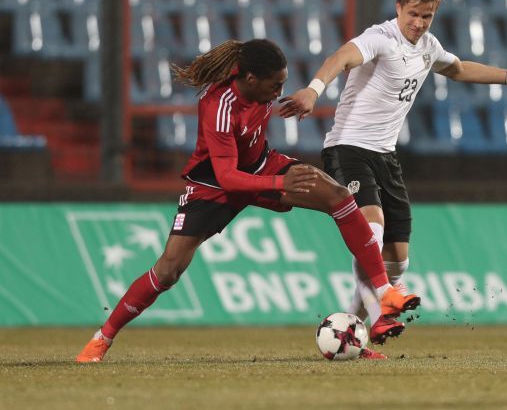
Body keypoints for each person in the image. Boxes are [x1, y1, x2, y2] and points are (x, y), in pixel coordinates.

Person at [76, 39, 420, 363]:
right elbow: (227, 177)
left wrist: (307, 96)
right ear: (251, 79)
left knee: (339, 196)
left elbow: (257, 141)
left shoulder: (259, 87)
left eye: (283, 84)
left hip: (260, 165)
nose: (279, 92)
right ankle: (102, 338)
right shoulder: (218, 106)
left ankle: (384, 292)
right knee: (168, 271)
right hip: (213, 187)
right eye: (275, 85)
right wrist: (280, 182)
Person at [279, 0, 507, 339]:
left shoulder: (428, 46)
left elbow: (458, 69)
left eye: (427, 16)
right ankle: (378, 311)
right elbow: (342, 56)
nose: (419, 23)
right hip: (348, 148)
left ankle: (351, 327)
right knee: (372, 230)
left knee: (397, 260)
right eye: (413, 14)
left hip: (386, 155)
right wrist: (314, 90)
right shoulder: (380, 38)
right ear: (398, 8)